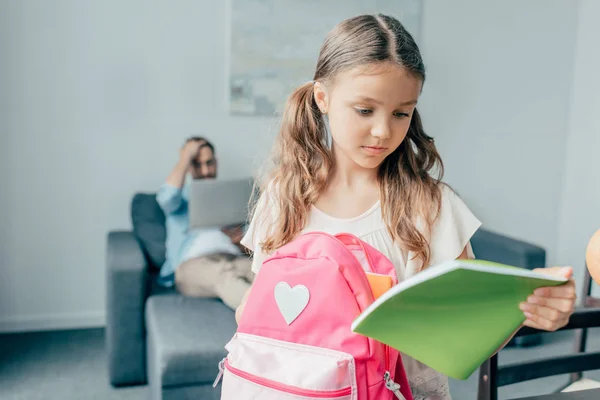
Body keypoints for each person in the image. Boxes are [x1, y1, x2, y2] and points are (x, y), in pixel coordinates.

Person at [236, 14, 577, 400]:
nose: (383, 131)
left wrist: (526, 308)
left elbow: (467, 335)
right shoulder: (285, 196)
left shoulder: (432, 206)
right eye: (365, 110)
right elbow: (254, 315)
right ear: (322, 98)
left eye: (401, 112)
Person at [156, 136, 253, 310]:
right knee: (223, 275)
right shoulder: (181, 197)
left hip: (233, 258)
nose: (206, 171)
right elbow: (166, 198)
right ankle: (265, 320)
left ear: (216, 162)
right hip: (192, 265)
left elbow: (251, 245)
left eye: (209, 163)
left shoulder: (230, 195)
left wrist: (240, 241)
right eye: (197, 164)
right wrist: (185, 157)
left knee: (269, 272)